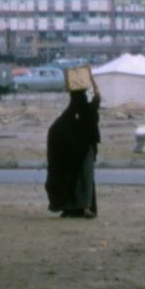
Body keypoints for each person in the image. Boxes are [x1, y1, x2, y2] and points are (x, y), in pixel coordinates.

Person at [44, 84, 102, 218]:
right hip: (84, 153)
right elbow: (92, 116)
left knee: (73, 182)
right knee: (85, 182)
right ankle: (84, 208)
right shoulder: (84, 111)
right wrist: (97, 97)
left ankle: (71, 208)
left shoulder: (68, 115)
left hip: (71, 158)